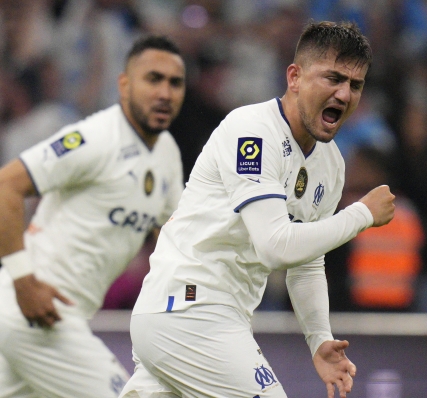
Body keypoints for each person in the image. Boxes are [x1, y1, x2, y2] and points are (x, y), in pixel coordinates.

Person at [119, 21, 395, 398]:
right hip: (189, 309)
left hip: (206, 317)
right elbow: (276, 246)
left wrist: (319, 340)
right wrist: (361, 214)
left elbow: (307, 261)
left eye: (355, 85)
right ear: (295, 77)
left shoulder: (330, 165)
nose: (344, 94)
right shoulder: (251, 131)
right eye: (333, 78)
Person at [0, 35, 186, 397]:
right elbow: (6, 184)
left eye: (174, 82)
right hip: (33, 312)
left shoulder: (167, 153)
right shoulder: (95, 138)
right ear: (124, 84)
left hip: (53, 318)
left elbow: (178, 237)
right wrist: (24, 281)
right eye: (153, 79)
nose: (165, 92)